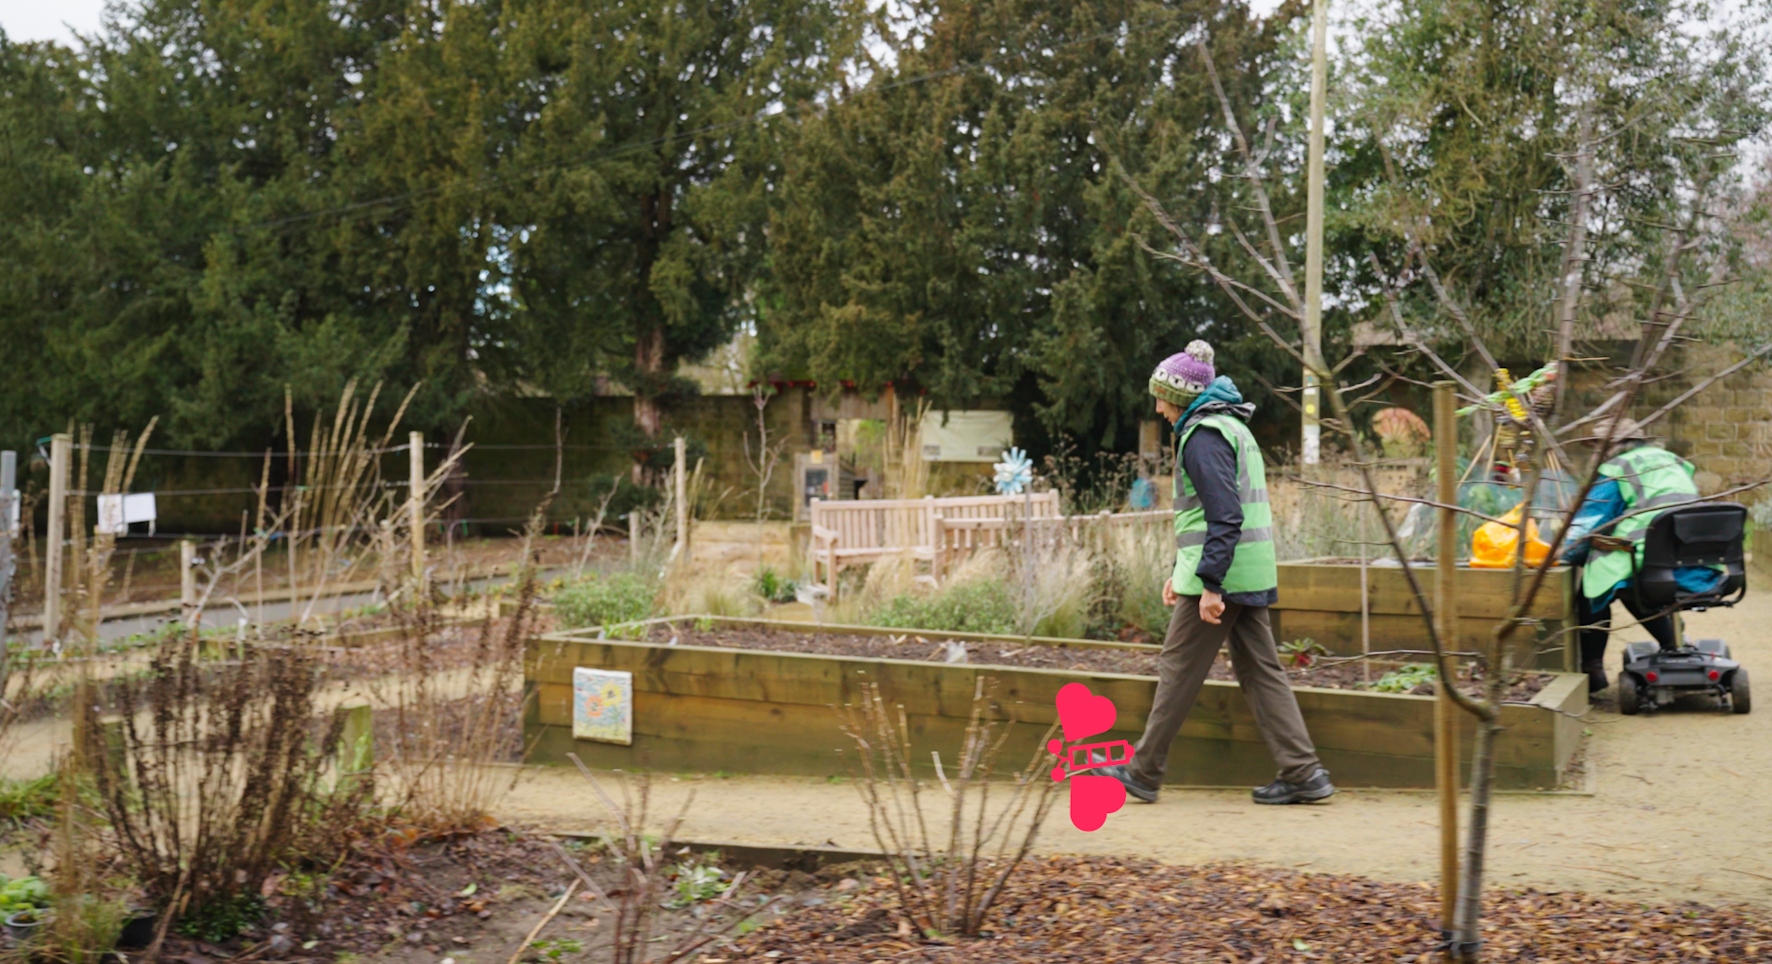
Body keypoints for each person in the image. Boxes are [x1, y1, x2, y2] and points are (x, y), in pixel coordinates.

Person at [1097, 341, 1334, 806]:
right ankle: (1304, 773)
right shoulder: (1232, 429)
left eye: (1162, 397)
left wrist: (1209, 585)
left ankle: (1143, 772)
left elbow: (1225, 515)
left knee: (1178, 669)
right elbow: (1203, 518)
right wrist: (1179, 570)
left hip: (1223, 578)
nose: (1159, 407)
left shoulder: (1202, 437)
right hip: (1245, 571)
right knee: (1261, 671)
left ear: (1182, 397)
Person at [1562, 417, 1721, 696]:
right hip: (1693, 565)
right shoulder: (1672, 461)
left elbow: (1592, 522)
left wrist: (1566, 554)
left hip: (1649, 561)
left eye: (1598, 447)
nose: (1594, 455)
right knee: (1636, 589)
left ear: (1614, 446)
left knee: (1595, 586)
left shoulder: (1617, 468)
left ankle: (1592, 669)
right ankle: (1676, 644)